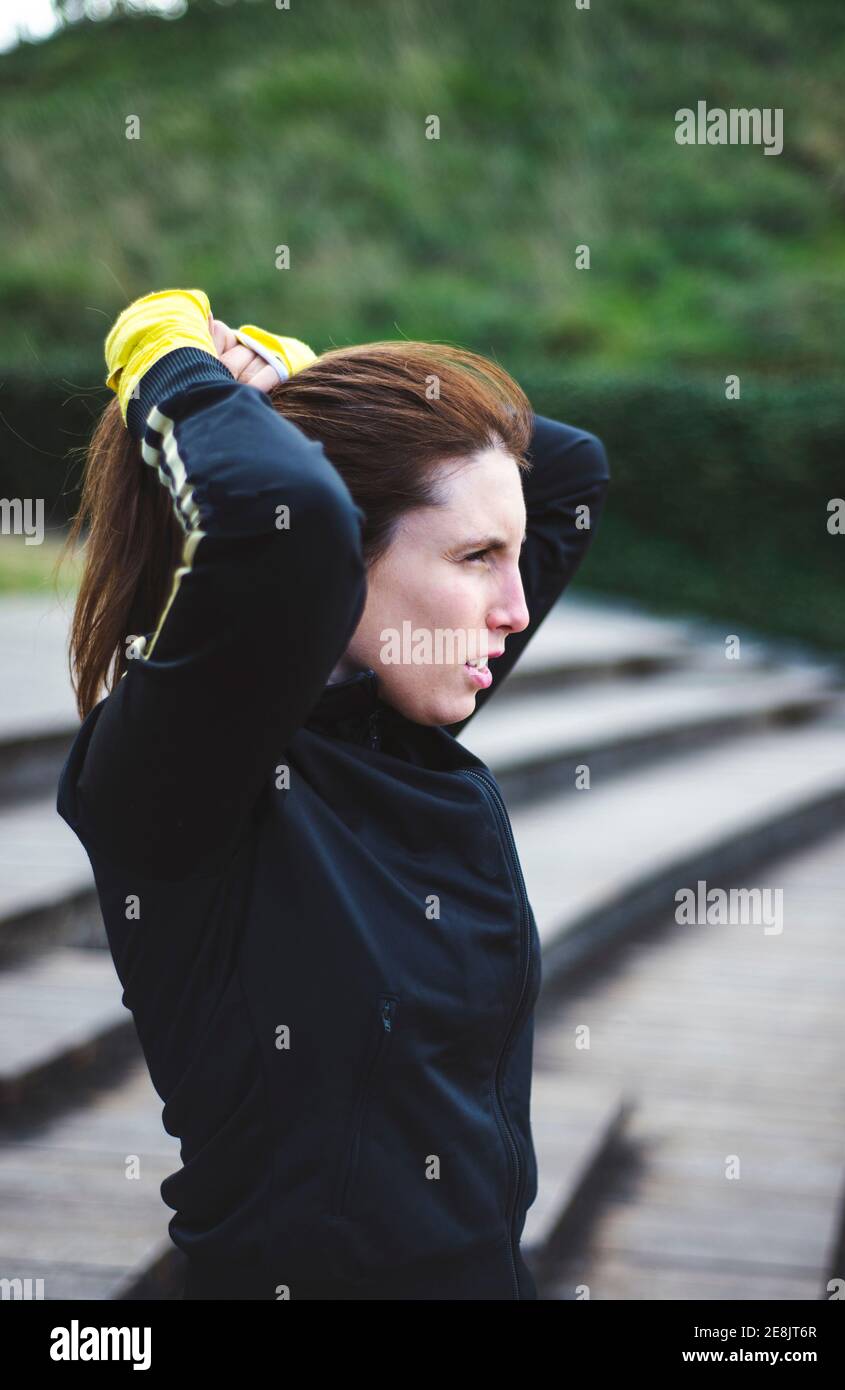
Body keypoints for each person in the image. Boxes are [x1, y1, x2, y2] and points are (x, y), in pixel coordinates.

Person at [56, 288, 610, 1300]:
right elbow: (294, 519)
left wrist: (302, 392)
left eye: (513, 556)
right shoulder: (177, 771)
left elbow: (570, 468)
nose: (517, 606)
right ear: (338, 568)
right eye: (478, 557)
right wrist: (160, 352)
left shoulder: (396, 727)